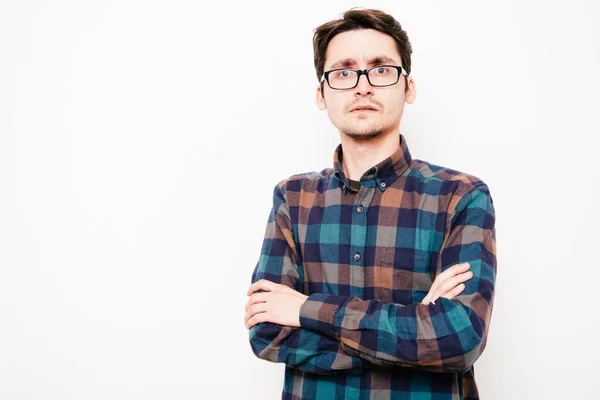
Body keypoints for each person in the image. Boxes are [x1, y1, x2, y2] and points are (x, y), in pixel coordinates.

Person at [244, 8, 497, 400]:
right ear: (321, 93)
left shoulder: (460, 196)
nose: (362, 86)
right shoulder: (292, 199)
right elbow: (266, 331)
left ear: (407, 87)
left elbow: (458, 338)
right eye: (343, 72)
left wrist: (306, 309)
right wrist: (415, 328)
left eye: (380, 69)